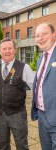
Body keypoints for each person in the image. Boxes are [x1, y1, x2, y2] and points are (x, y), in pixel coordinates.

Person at [0, 38, 35, 150]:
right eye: (4, 49)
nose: (7, 51)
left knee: (21, 145)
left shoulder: (24, 67)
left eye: (10, 48)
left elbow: (34, 86)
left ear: (15, 50)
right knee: (2, 144)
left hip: (17, 114)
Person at [31, 22, 56, 150]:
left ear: (54, 34)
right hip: (42, 115)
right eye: (37, 35)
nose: (40, 38)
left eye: (44, 34)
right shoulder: (41, 57)